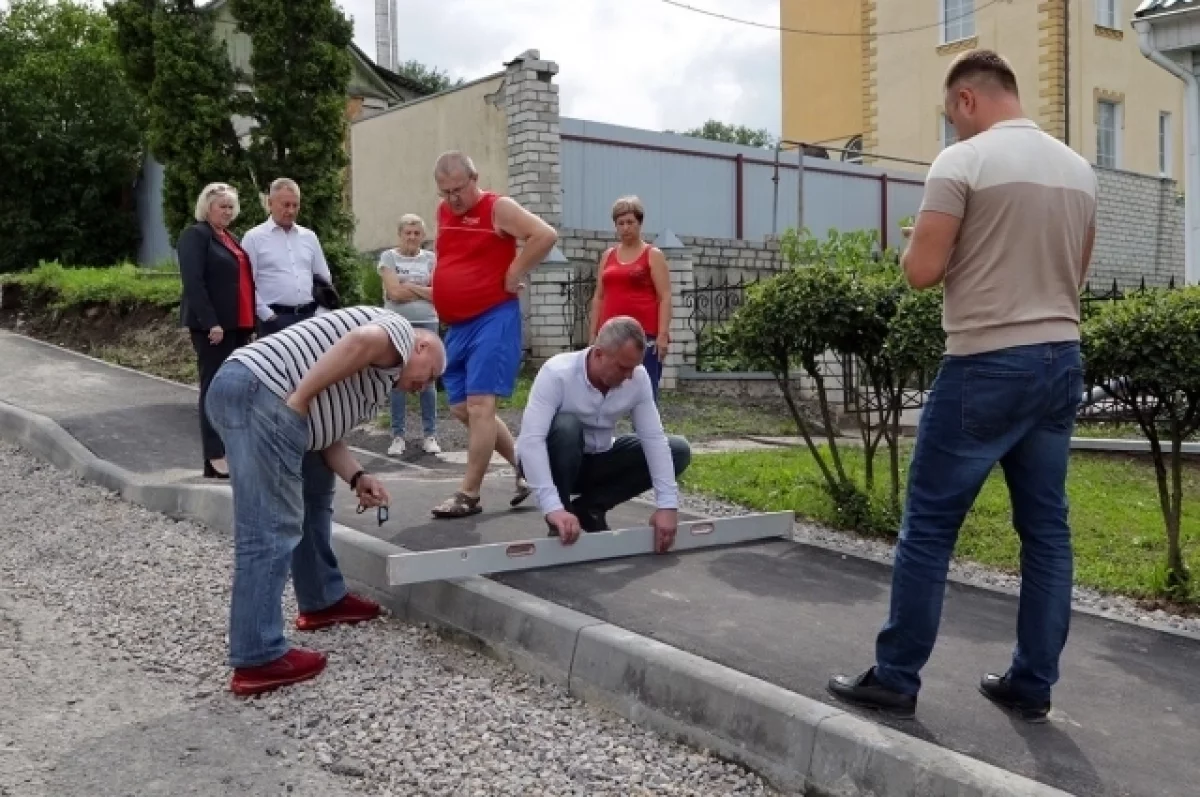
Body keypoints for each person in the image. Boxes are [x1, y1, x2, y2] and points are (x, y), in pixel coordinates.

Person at [827, 49, 1097, 723]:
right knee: (1046, 530)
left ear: (969, 100)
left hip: (985, 362)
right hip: (1061, 357)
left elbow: (921, 271)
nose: (953, 130)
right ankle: (1032, 683)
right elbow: (1078, 276)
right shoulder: (1079, 171)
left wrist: (913, 246)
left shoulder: (962, 163)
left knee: (928, 526)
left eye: (953, 116)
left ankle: (896, 675)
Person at [205, 306, 446, 697]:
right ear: (420, 346)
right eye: (430, 374)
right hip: (264, 393)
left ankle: (321, 599)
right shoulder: (398, 333)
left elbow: (324, 433)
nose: (426, 387)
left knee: (315, 492)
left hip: (255, 391)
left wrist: (357, 475)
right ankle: (258, 656)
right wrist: (300, 398)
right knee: (269, 527)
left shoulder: (378, 378)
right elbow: (359, 342)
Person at [427, 151, 559, 519]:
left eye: (458, 189)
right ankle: (527, 467)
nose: (453, 198)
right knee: (460, 407)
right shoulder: (443, 213)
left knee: (481, 405)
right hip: (458, 325)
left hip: (493, 317)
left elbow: (544, 235)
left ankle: (468, 494)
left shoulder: (497, 207)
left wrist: (515, 270)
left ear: (474, 179)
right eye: (445, 192)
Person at [515, 316, 692, 551]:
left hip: (598, 459)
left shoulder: (637, 379)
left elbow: (654, 440)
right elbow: (531, 441)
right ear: (599, 354)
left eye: (634, 367)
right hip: (555, 461)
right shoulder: (558, 373)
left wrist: (667, 506)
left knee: (677, 450)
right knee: (567, 426)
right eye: (623, 367)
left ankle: (589, 508)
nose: (629, 376)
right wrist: (552, 507)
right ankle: (562, 517)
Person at [177, 182, 257, 480]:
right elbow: (194, 283)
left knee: (234, 389)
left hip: (239, 325)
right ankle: (214, 456)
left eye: (230, 206)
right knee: (213, 388)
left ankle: (231, 451)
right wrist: (211, 321)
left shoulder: (231, 238)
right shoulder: (195, 236)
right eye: (221, 206)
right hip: (214, 328)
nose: (227, 211)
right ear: (206, 207)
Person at [588, 196, 672, 400]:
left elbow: (665, 296)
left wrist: (662, 335)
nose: (625, 228)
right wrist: (593, 334)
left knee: (645, 393)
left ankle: (646, 432)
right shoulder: (608, 255)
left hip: (643, 337)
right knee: (604, 391)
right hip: (610, 337)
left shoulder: (652, 254)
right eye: (620, 223)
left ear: (639, 223)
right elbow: (599, 296)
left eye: (630, 222)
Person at [378, 213, 441, 457]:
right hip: (397, 324)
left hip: (427, 322)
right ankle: (397, 435)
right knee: (398, 378)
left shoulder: (432, 259)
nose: (412, 237)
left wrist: (410, 287)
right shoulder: (388, 257)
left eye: (417, 233)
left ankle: (430, 434)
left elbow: (439, 293)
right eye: (408, 233)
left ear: (423, 237)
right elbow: (393, 293)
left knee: (428, 379)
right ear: (400, 235)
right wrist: (422, 290)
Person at [241, 178, 334, 336]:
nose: (291, 211)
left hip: (310, 319)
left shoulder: (309, 237)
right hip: (275, 320)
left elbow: (323, 277)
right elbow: (246, 282)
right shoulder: (254, 238)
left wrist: (321, 312)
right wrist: (266, 315)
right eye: (285, 205)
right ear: (270, 203)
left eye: (295, 205)